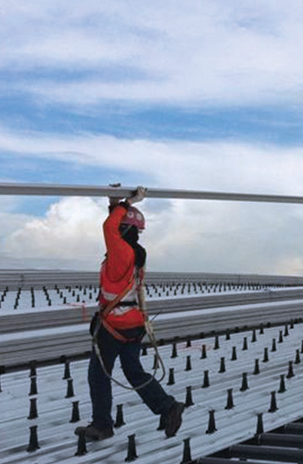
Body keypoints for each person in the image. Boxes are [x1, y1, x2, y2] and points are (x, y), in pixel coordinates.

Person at [76, 186, 185, 442]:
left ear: (123, 229)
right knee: (134, 371)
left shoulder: (121, 252)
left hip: (113, 326)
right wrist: (116, 205)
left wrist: (126, 202)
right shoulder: (137, 254)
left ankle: (102, 425)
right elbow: (113, 226)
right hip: (133, 325)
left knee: (98, 375)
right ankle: (168, 407)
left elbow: (108, 228)